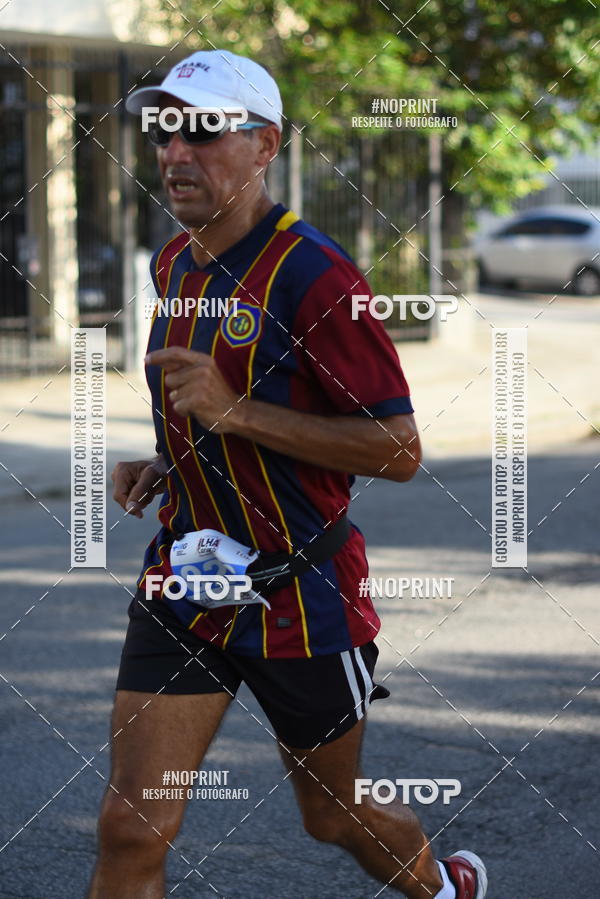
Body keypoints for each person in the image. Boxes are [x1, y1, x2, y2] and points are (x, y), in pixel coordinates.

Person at [88, 49, 487, 899]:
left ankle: (447, 889)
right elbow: (213, 409)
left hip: (299, 592)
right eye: (164, 130)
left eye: (204, 130)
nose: (175, 152)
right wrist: (170, 462)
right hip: (188, 580)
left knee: (332, 813)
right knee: (131, 824)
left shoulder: (315, 275)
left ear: (265, 145)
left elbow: (399, 449)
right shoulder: (174, 263)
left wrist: (236, 414)